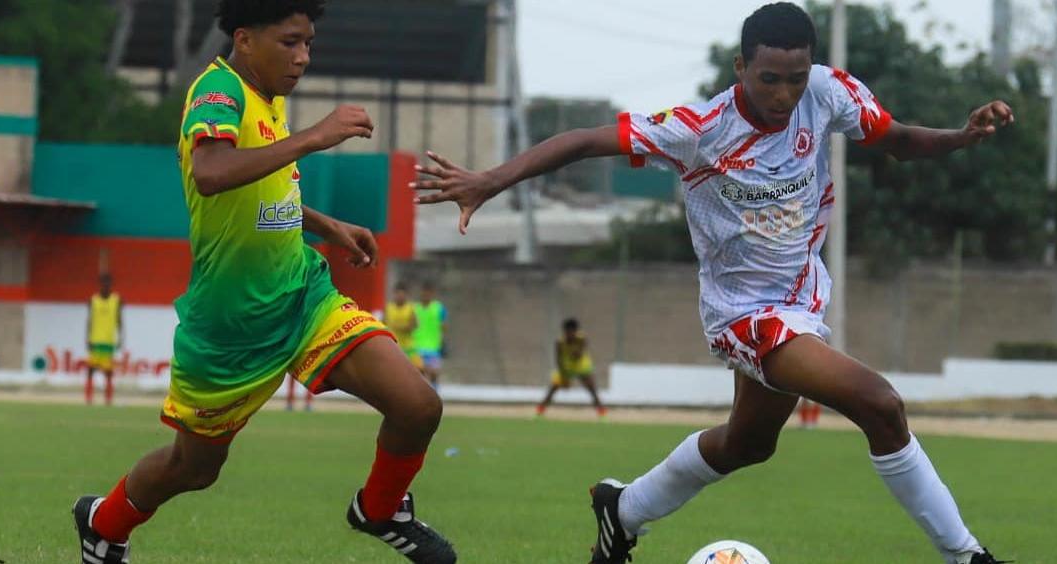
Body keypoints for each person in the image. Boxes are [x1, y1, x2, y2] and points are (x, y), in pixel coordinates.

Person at [412, 4, 1013, 563]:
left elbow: (897, 140)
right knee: (880, 405)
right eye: (769, 79)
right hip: (743, 316)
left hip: (802, 302)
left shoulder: (827, 92)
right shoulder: (699, 128)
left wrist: (961, 136)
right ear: (740, 67)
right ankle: (967, 555)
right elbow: (585, 141)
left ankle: (623, 510)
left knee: (748, 445)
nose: (784, 95)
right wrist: (491, 180)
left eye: (796, 78)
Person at [71, 2, 456, 562]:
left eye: (309, 44)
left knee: (417, 406)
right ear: (245, 39)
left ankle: (379, 509)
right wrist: (316, 136)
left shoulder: (268, 94)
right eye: (290, 42)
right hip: (232, 327)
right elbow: (211, 173)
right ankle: (102, 524)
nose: (303, 57)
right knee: (193, 469)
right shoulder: (218, 92)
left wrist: (326, 225)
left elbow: (265, 188)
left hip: (302, 298)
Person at [536, 318, 606, 418]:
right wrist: (563, 375)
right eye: (567, 331)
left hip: (581, 366)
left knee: (592, 389)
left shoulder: (582, 339)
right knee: (552, 389)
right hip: (566, 367)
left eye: (572, 331)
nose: (570, 334)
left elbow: (579, 355)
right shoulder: (559, 342)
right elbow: (558, 359)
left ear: (576, 331)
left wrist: (576, 353)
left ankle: (602, 414)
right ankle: (539, 412)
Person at [86, 273, 123, 406]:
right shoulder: (93, 300)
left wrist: (120, 338)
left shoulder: (116, 300)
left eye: (108, 283)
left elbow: (119, 320)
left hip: (108, 342)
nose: (105, 286)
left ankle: (108, 399)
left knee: (108, 373)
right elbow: (89, 321)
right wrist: (87, 338)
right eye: (103, 283)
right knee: (91, 371)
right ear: (100, 284)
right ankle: (89, 399)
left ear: (111, 284)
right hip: (95, 341)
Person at [412, 281, 448, 389]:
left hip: (433, 348)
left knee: (434, 373)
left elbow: (444, 327)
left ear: (432, 293)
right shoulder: (414, 308)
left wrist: (443, 342)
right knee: (419, 374)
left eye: (428, 293)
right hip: (417, 347)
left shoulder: (439, 308)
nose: (426, 295)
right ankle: (420, 394)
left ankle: (435, 393)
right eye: (424, 292)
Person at [386, 282, 422, 369]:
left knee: (420, 369)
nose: (400, 297)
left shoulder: (411, 308)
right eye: (398, 294)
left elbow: (414, 325)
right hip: (394, 347)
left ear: (406, 295)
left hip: (409, 347)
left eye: (402, 294)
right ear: (394, 294)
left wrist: (401, 327)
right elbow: (383, 324)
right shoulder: (388, 308)